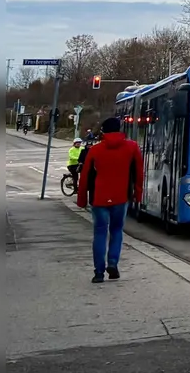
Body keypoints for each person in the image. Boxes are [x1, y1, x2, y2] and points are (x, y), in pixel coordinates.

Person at [75, 117, 144, 284]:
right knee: (116, 231)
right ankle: (113, 263)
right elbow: (139, 173)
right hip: (121, 197)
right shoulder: (132, 147)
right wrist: (137, 194)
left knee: (99, 233)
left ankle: (98, 273)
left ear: (104, 131)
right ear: (120, 129)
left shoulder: (95, 150)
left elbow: (84, 177)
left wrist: (82, 199)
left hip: (99, 198)